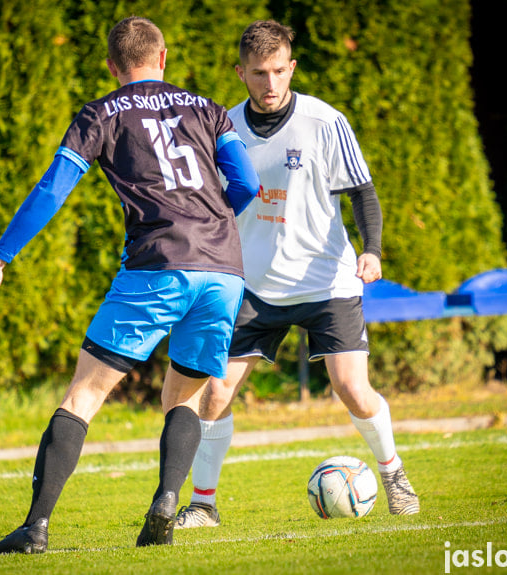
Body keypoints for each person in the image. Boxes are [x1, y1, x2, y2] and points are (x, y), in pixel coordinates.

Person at [0, 16, 259, 554]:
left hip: (157, 262)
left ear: (111, 66)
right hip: (223, 268)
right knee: (184, 397)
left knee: (85, 393)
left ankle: (34, 529)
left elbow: (53, 188)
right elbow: (246, 184)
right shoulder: (209, 109)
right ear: (163, 57)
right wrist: (214, 227)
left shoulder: (100, 113)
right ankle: (168, 500)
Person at [175, 20, 419, 529]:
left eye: (279, 71)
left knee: (351, 387)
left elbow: (363, 192)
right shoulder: (223, 127)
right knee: (215, 393)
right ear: (240, 72)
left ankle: (393, 472)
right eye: (259, 73)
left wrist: (371, 251)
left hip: (325, 280)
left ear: (292, 68)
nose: (270, 84)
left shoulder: (325, 121)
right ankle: (203, 504)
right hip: (252, 284)